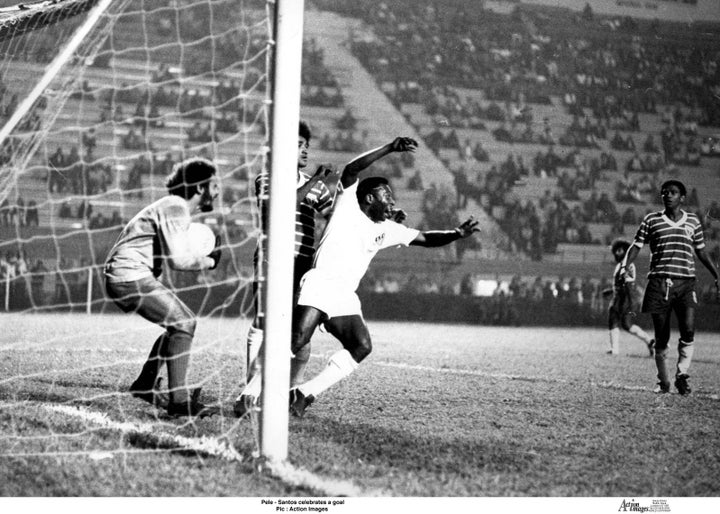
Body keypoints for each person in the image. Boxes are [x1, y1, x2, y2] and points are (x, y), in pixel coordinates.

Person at [235, 137, 480, 417]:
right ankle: (248, 395)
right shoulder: (347, 207)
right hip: (320, 283)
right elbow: (351, 169)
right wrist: (389, 148)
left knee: (361, 346)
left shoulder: (387, 228)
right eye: (387, 196)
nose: (392, 201)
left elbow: (425, 237)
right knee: (296, 340)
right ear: (368, 198)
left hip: (343, 295)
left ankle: (302, 394)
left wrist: (456, 234)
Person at [104, 157, 222, 417]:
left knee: (176, 326)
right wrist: (211, 261)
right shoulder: (176, 207)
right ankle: (179, 401)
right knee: (185, 323)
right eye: (214, 185)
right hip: (129, 274)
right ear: (200, 187)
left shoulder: (173, 207)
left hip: (128, 273)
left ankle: (145, 385)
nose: (217, 191)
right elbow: (178, 261)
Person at [621, 180, 720, 395]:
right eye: (665, 192)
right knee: (662, 335)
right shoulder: (651, 220)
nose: (668, 195)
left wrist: (716, 275)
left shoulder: (693, 221)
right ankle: (664, 381)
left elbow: (702, 252)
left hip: (686, 282)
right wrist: (625, 265)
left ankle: (682, 375)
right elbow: (636, 246)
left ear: (682, 197)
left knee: (688, 329)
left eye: (673, 192)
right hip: (659, 282)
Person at [602, 239, 655, 356]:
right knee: (623, 324)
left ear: (625, 251)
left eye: (619, 250)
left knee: (617, 319)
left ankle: (615, 349)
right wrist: (611, 290)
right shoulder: (621, 264)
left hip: (624, 299)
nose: (616, 253)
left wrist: (627, 302)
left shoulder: (628, 265)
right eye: (616, 251)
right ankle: (649, 341)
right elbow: (621, 283)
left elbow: (629, 285)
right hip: (621, 297)